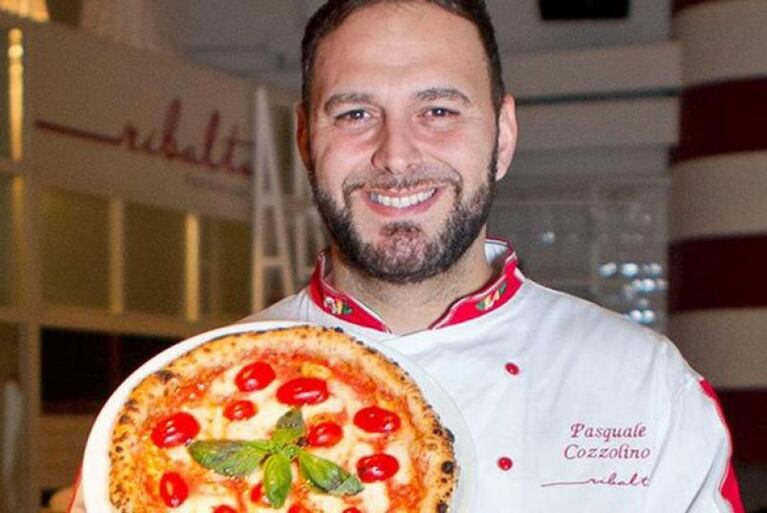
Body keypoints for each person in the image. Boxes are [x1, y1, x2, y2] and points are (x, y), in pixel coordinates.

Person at [69, 1, 744, 511]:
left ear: (502, 135)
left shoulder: (646, 385)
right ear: (306, 139)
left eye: (439, 111)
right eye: (355, 114)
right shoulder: (200, 394)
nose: (395, 156)